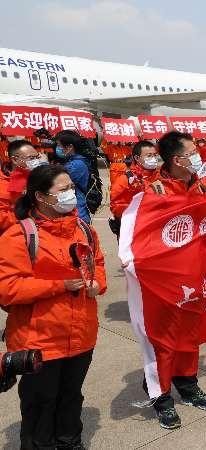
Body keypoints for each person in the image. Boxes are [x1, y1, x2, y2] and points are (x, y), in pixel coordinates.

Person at [0, 164, 107, 449]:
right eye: (63, 190)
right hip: (39, 339)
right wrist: (59, 286)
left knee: (72, 395)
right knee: (40, 401)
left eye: (71, 187)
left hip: (81, 334)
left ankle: (70, 441)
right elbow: (8, 288)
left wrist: (98, 284)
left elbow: (96, 263)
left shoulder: (83, 228)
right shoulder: (19, 235)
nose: (71, 194)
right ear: (41, 196)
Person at [141, 131, 206, 429]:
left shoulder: (200, 185)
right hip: (166, 282)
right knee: (165, 339)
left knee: (189, 336)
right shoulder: (156, 192)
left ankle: (187, 384)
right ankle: (160, 395)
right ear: (178, 159)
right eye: (193, 151)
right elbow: (142, 237)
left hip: (196, 276)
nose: (199, 156)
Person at [109, 141, 160, 237]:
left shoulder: (162, 177)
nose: (153, 158)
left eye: (155, 155)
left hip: (157, 229)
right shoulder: (126, 180)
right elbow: (115, 206)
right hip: (133, 231)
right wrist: (137, 210)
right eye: (149, 155)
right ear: (137, 158)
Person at [0, 140, 48, 233]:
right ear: (15, 160)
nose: (36, 161)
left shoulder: (35, 176)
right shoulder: (2, 183)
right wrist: (28, 215)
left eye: (37, 157)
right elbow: (2, 218)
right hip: (15, 233)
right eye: (31, 158)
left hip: (40, 231)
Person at [53, 130, 92, 223]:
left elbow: (51, 180)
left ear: (70, 147)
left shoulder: (76, 165)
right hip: (73, 211)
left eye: (59, 145)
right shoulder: (74, 161)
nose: (57, 148)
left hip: (77, 214)